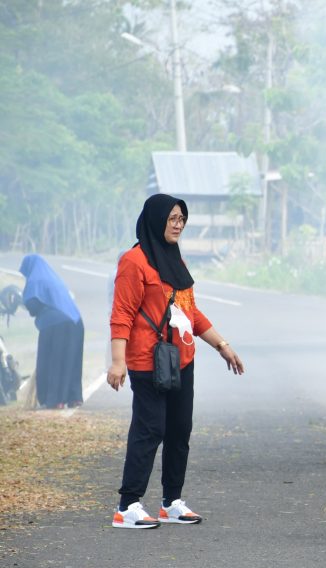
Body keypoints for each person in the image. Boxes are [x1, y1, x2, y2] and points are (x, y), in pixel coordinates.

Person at [108, 194, 245, 529]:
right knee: (149, 429)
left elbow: (190, 311)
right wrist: (117, 361)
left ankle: (171, 502)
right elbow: (122, 314)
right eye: (172, 218)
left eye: (182, 218)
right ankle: (127, 506)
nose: (178, 224)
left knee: (179, 430)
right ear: (156, 220)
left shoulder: (174, 259)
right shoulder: (135, 261)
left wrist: (222, 345)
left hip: (181, 359)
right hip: (147, 360)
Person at [18, 255, 84, 409]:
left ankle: (55, 400)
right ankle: (74, 397)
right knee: (71, 360)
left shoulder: (35, 280)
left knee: (52, 361)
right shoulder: (54, 280)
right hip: (76, 322)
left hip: (55, 325)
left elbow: (32, 304)